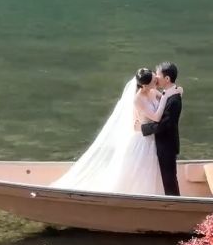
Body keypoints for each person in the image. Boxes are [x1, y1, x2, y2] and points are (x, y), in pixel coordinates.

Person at [51, 68, 182, 195]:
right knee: (140, 172)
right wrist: (165, 96)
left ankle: (163, 198)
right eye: (153, 81)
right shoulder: (138, 99)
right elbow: (157, 116)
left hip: (152, 137)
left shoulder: (152, 91)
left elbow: (168, 99)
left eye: (155, 78)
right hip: (142, 139)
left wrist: (176, 91)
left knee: (155, 171)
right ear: (144, 86)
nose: (156, 81)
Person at [140, 62, 182, 196]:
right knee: (167, 178)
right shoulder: (169, 93)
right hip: (162, 143)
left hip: (167, 145)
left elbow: (165, 124)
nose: (156, 78)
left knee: (169, 179)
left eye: (158, 75)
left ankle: (175, 204)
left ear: (167, 79)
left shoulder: (174, 100)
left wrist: (143, 128)